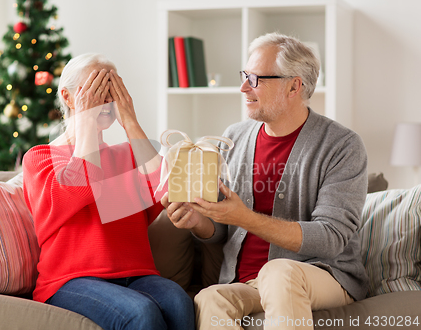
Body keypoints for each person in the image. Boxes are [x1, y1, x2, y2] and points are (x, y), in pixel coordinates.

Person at [161, 33, 368, 330]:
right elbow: (221, 229)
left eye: (256, 78)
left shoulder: (341, 145)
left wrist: (244, 217)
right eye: (245, 76)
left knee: (278, 272)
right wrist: (199, 221)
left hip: (322, 275)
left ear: (294, 85)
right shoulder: (233, 137)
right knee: (209, 299)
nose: (244, 87)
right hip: (246, 281)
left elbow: (331, 238)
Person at [23, 53, 194, 330]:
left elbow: (166, 188)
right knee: (141, 313)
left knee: (179, 302)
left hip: (137, 274)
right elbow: (81, 189)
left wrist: (130, 121)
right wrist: (87, 122)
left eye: (111, 90)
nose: (105, 100)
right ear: (68, 98)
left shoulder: (127, 155)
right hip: (70, 281)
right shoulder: (40, 158)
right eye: (94, 89)